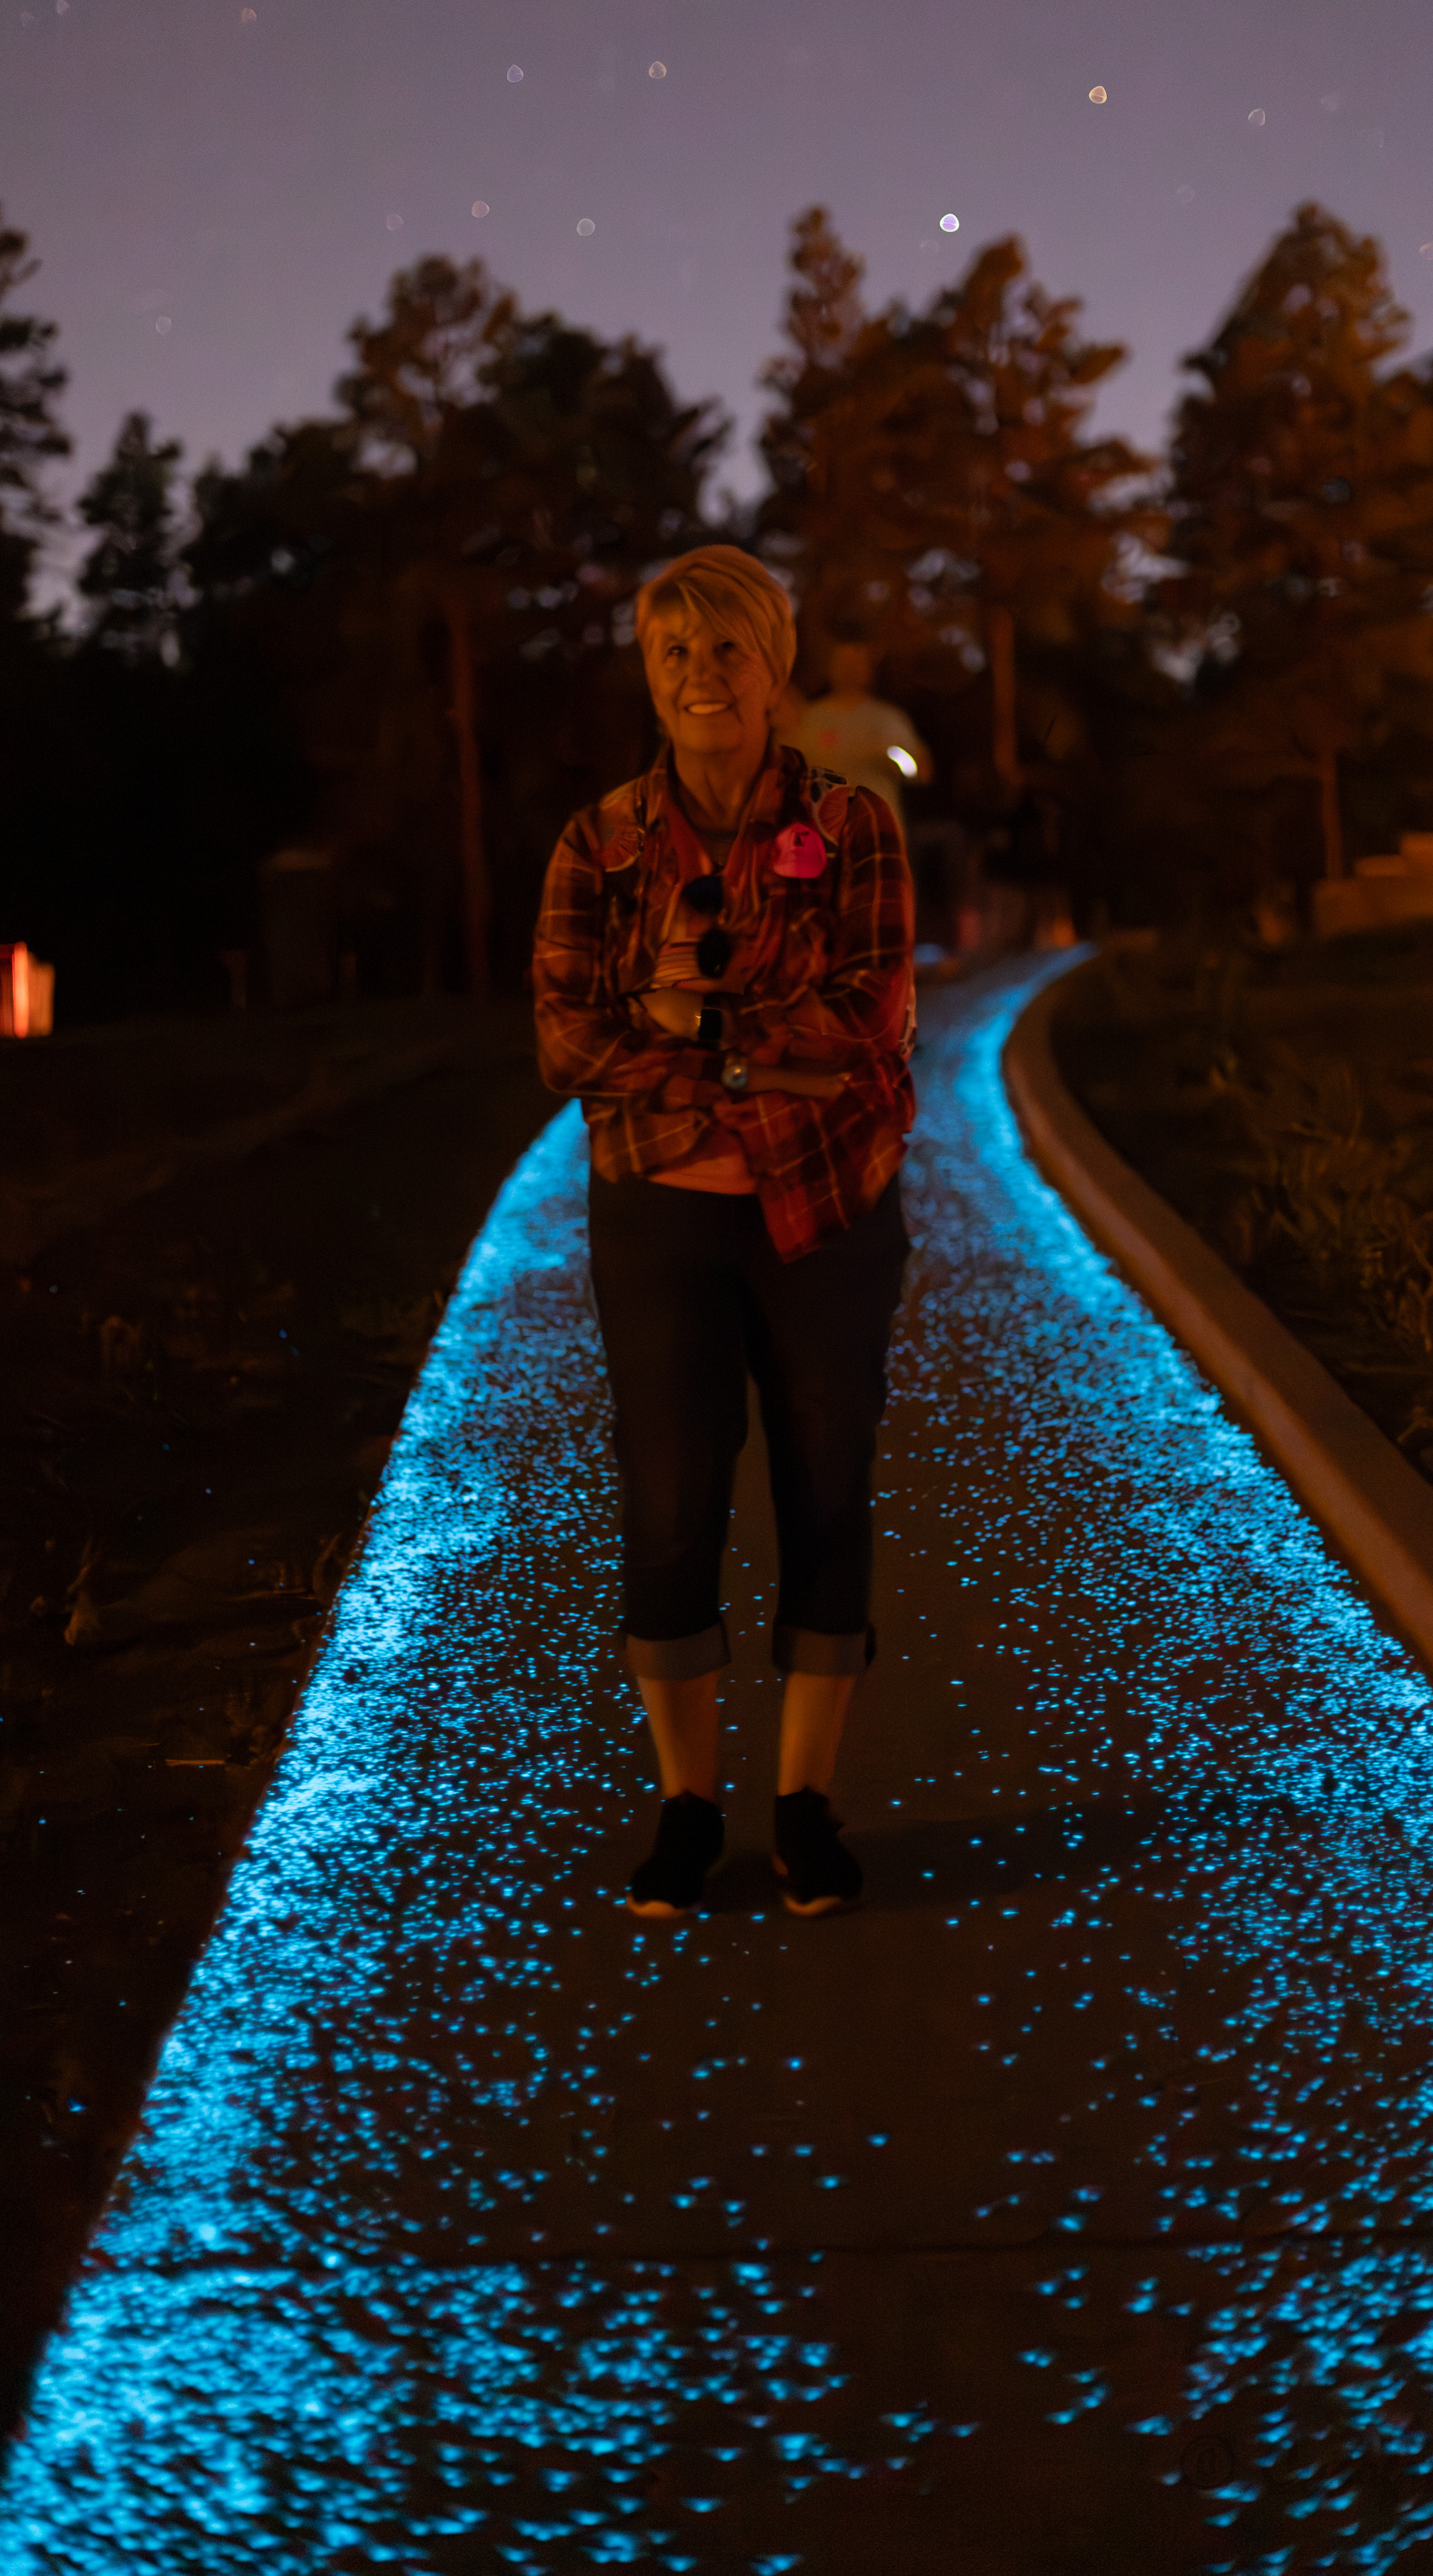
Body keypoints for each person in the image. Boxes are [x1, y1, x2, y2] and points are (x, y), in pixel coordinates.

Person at [533, 548, 915, 1921]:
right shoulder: (597, 844)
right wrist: (758, 1053)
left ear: (775, 666)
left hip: (827, 1208)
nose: (703, 676)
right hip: (660, 1216)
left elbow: (867, 1017)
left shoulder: (854, 826)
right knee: (671, 1502)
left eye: (728, 649)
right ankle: (687, 1804)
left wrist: (686, 1028)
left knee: (825, 1489)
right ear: (649, 675)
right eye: (675, 652)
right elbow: (567, 1040)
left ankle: (803, 1804)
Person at [791, 639, 932, 827]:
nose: (853, 668)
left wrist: (896, 758)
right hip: (823, 831)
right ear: (830, 666)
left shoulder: (888, 718)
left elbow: (920, 771)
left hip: (876, 831)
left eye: (859, 662)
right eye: (845, 661)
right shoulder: (809, 719)